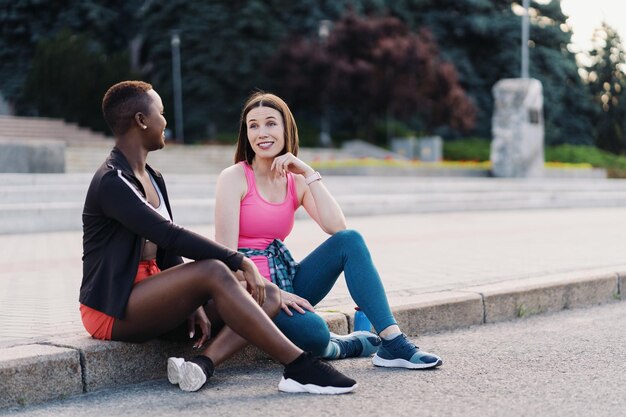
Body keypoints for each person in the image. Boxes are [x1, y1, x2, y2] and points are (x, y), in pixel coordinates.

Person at [79, 81, 357, 395]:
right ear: (142, 121)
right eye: (161, 112)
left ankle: (203, 365)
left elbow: (167, 251)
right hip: (112, 308)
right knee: (214, 269)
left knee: (268, 294)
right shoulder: (112, 181)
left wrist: (191, 300)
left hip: (153, 296)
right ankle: (300, 366)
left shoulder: (153, 177)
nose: (166, 122)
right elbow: (167, 234)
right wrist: (236, 259)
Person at [214, 92, 443, 369]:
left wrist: (309, 174)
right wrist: (274, 294)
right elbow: (225, 259)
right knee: (315, 333)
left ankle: (392, 342)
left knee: (350, 241)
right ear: (246, 133)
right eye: (253, 125)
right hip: (252, 292)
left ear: (286, 128)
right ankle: (344, 344)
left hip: (288, 279)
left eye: (271, 123)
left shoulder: (295, 182)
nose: (262, 132)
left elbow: (337, 226)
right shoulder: (234, 178)